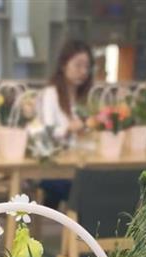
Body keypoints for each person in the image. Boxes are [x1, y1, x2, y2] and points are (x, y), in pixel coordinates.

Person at [37, 39, 94, 209]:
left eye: (87, 66)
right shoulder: (51, 94)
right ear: (63, 65)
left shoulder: (83, 98)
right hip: (53, 168)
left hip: (78, 165)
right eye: (78, 65)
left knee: (105, 181)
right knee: (90, 187)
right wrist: (68, 129)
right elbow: (47, 133)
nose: (83, 71)